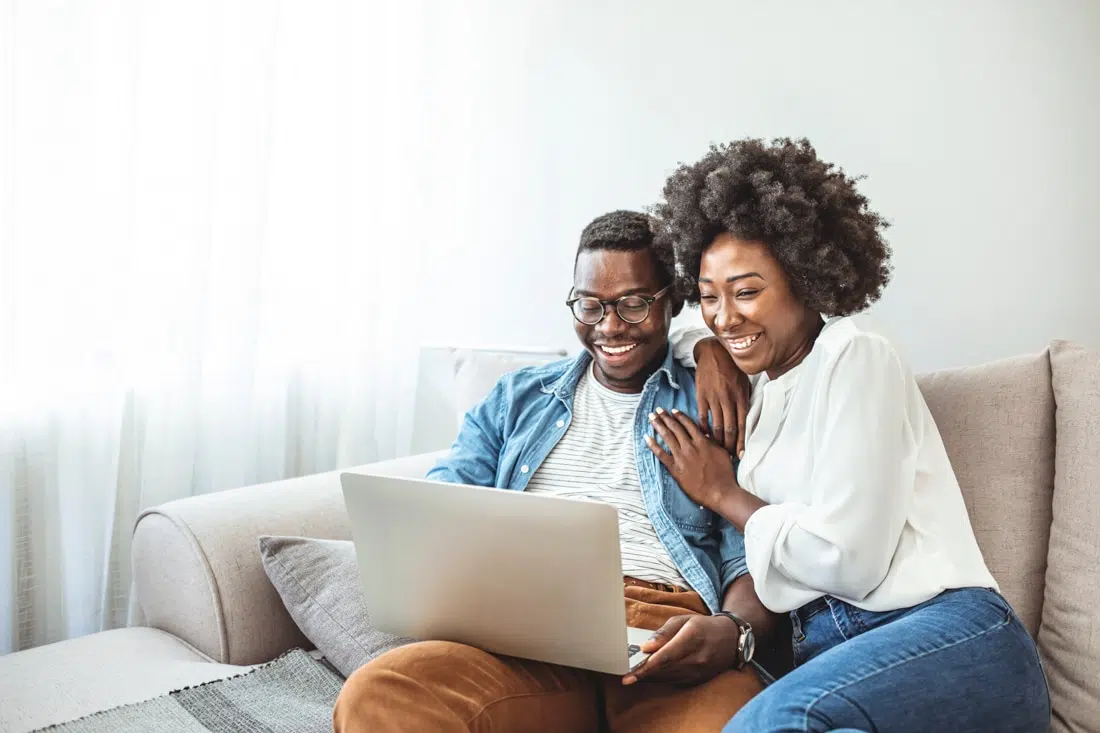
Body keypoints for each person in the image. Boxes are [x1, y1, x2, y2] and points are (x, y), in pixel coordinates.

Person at [638, 137, 1052, 733]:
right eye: (708, 297)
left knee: (769, 722)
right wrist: (704, 348)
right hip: (840, 659)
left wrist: (723, 493)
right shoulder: (761, 384)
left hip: (947, 636)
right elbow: (675, 336)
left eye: (747, 291)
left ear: (806, 279)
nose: (726, 316)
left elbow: (850, 562)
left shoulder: (854, 354)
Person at [332, 210, 780, 733]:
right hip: (524, 634)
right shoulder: (517, 399)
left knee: (737, 725)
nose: (609, 326)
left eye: (633, 304)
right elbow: (442, 506)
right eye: (590, 305)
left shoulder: (717, 402)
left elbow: (755, 554)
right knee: (378, 695)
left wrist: (733, 631)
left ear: (672, 302)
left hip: (665, 636)